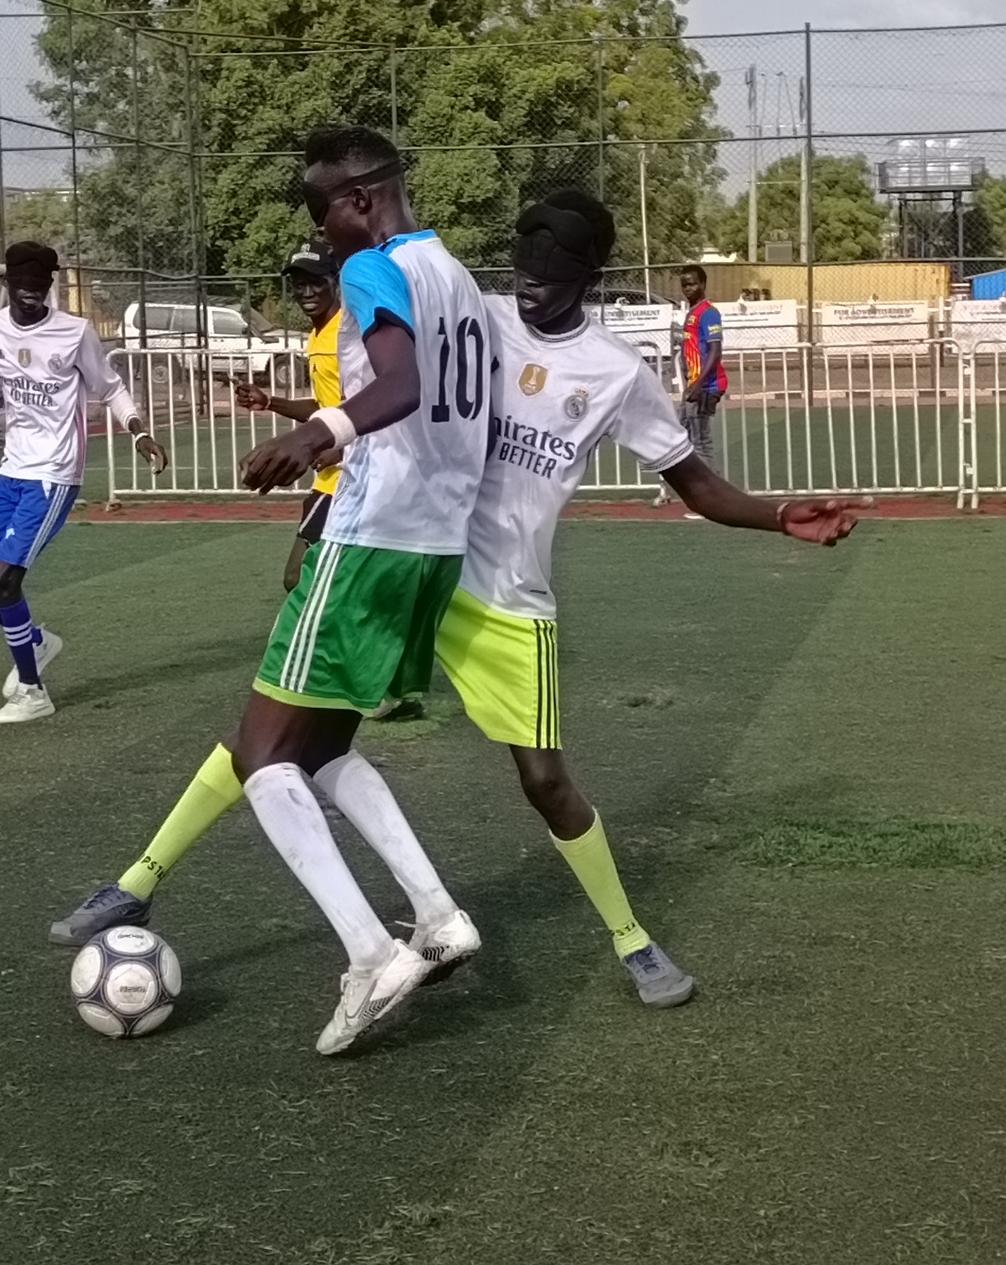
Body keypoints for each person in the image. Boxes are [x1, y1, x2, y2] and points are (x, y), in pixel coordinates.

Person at [52, 193, 866, 1011]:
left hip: (506, 597)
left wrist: (774, 515)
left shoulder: (617, 373)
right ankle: (138, 881)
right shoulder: (473, 314)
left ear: (589, 276)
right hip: (412, 562)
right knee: (278, 730)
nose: (533, 290)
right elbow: (387, 369)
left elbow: (691, 479)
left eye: (552, 278)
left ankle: (633, 940)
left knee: (546, 780)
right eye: (524, 272)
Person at [59, 126, 491, 1056]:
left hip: (370, 535)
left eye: (322, 212)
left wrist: (319, 432)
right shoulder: (462, 280)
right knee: (324, 743)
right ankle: (439, 914)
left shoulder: (376, 271)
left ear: (363, 198)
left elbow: (405, 385)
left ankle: (372, 952)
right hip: (435, 543)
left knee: (260, 756)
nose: (323, 236)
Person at [0, 240, 167, 724]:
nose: (30, 294)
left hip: (54, 475)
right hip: (11, 472)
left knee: (5, 578)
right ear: (6, 285)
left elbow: (111, 389)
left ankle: (32, 690)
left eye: (39, 286)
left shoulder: (75, 332)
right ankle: (36, 643)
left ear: (50, 286)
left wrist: (139, 431)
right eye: (21, 285)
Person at [234, 235, 345, 592]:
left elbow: (374, 408)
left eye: (316, 281)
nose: (307, 292)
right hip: (330, 481)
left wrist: (340, 449)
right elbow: (325, 409)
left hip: (353, 481)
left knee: (299, 579)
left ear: (336, 281)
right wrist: (270, 402)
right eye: (300, 284)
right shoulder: (319, 336)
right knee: (303, 579)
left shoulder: (346, 334)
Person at [654, 264, 727, 512]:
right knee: (682, 437)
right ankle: (693, 492)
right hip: (693, 388)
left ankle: (716, 501)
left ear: (703, 284)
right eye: (684, 284)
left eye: (693, 283)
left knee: (701, 442)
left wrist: (697, 384)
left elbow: (715, 352)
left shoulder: (708, 313)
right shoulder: (692, 313)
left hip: (705, 387)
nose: (688, 288)